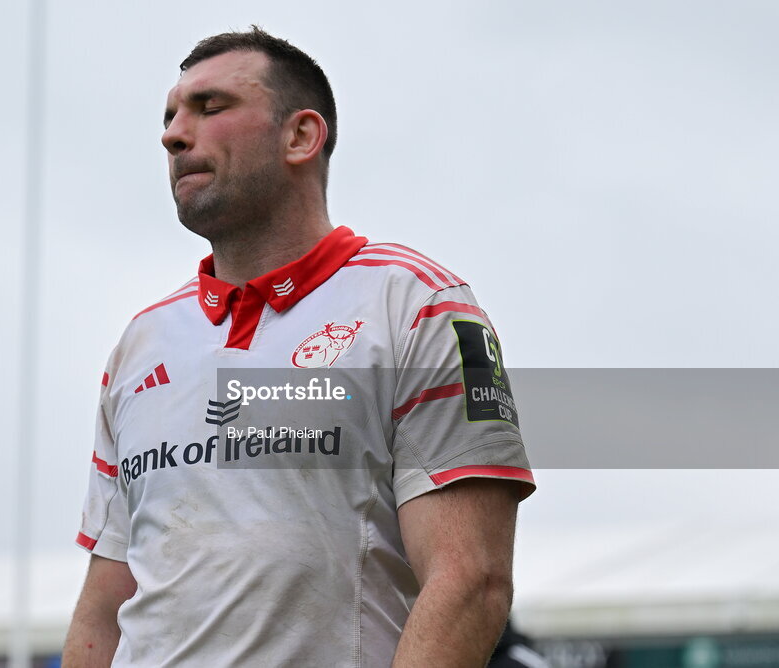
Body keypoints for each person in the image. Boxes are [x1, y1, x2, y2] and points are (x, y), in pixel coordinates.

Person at [63, 26, 535, 667]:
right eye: (170, 116)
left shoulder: (417, 304)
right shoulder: (141, 343)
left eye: (211, 107)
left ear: (301, 136)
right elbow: (104, 607)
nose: (174, 134)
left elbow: (470, 582)